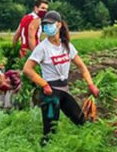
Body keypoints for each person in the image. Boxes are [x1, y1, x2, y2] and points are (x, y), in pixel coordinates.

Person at [22, 12, 98, 145]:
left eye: (50, 24)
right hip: (51, 93)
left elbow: (81, 66)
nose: (47, 27)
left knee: (81, 121)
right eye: (45, 24)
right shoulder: (42, 48)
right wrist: (44, 84)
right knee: (50, 131)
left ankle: (87, 146)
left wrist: (90, 84)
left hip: (64, 90)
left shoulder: (66, 46)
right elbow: (27, 69)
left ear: (59, 24)